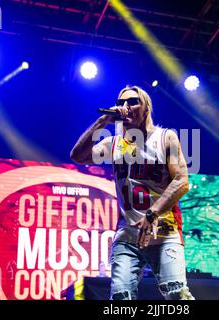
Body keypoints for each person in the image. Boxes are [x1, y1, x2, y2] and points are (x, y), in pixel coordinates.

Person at [70, 85, 194, 300]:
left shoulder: (165, 138)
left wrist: (152, 213)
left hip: (164, 232)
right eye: (120, 103)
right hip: (128, 236)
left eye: (132, 102)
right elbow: (78, 156)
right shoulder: (114, 144)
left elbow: (182, 181)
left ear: (146, 107)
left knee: (177, 295)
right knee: (121, 299)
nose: (124, 107)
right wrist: (103, 122)